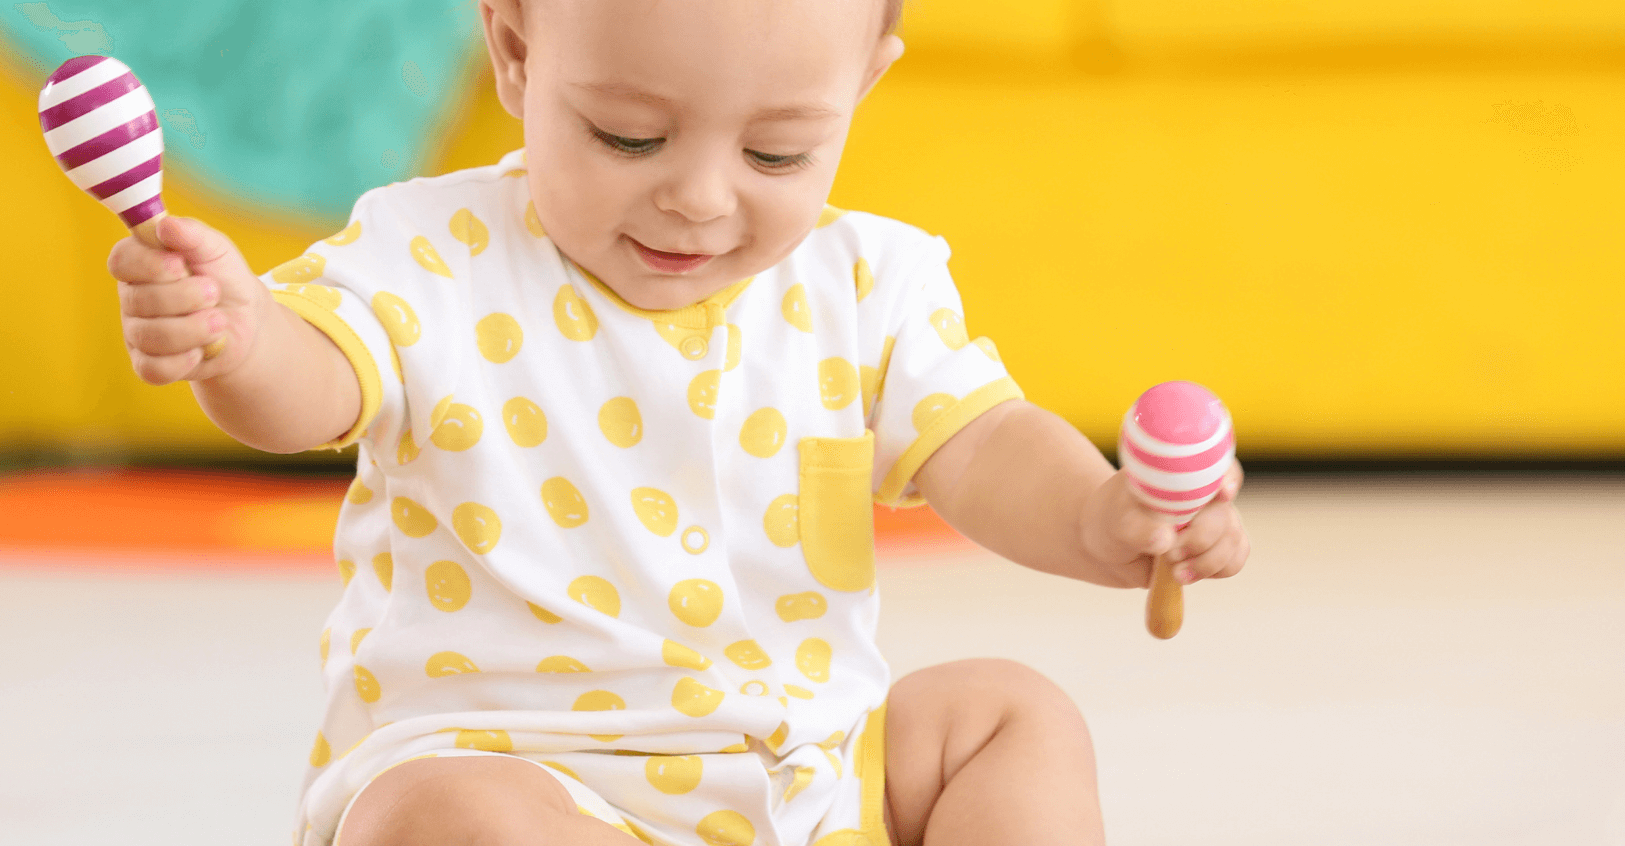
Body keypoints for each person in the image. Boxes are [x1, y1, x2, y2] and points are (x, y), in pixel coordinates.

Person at [106, 1, 1250, 844]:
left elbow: (986, 443)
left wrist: (1106, 515)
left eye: (775, 154)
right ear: (514, 49)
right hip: (527, 781)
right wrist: (237, 338)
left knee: (1015, 717)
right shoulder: (430, 254)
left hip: (807, 779)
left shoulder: (868, 284)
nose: (700, 199)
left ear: (861, 88)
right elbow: (314, 385)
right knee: (434, 820)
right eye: (628, 138)